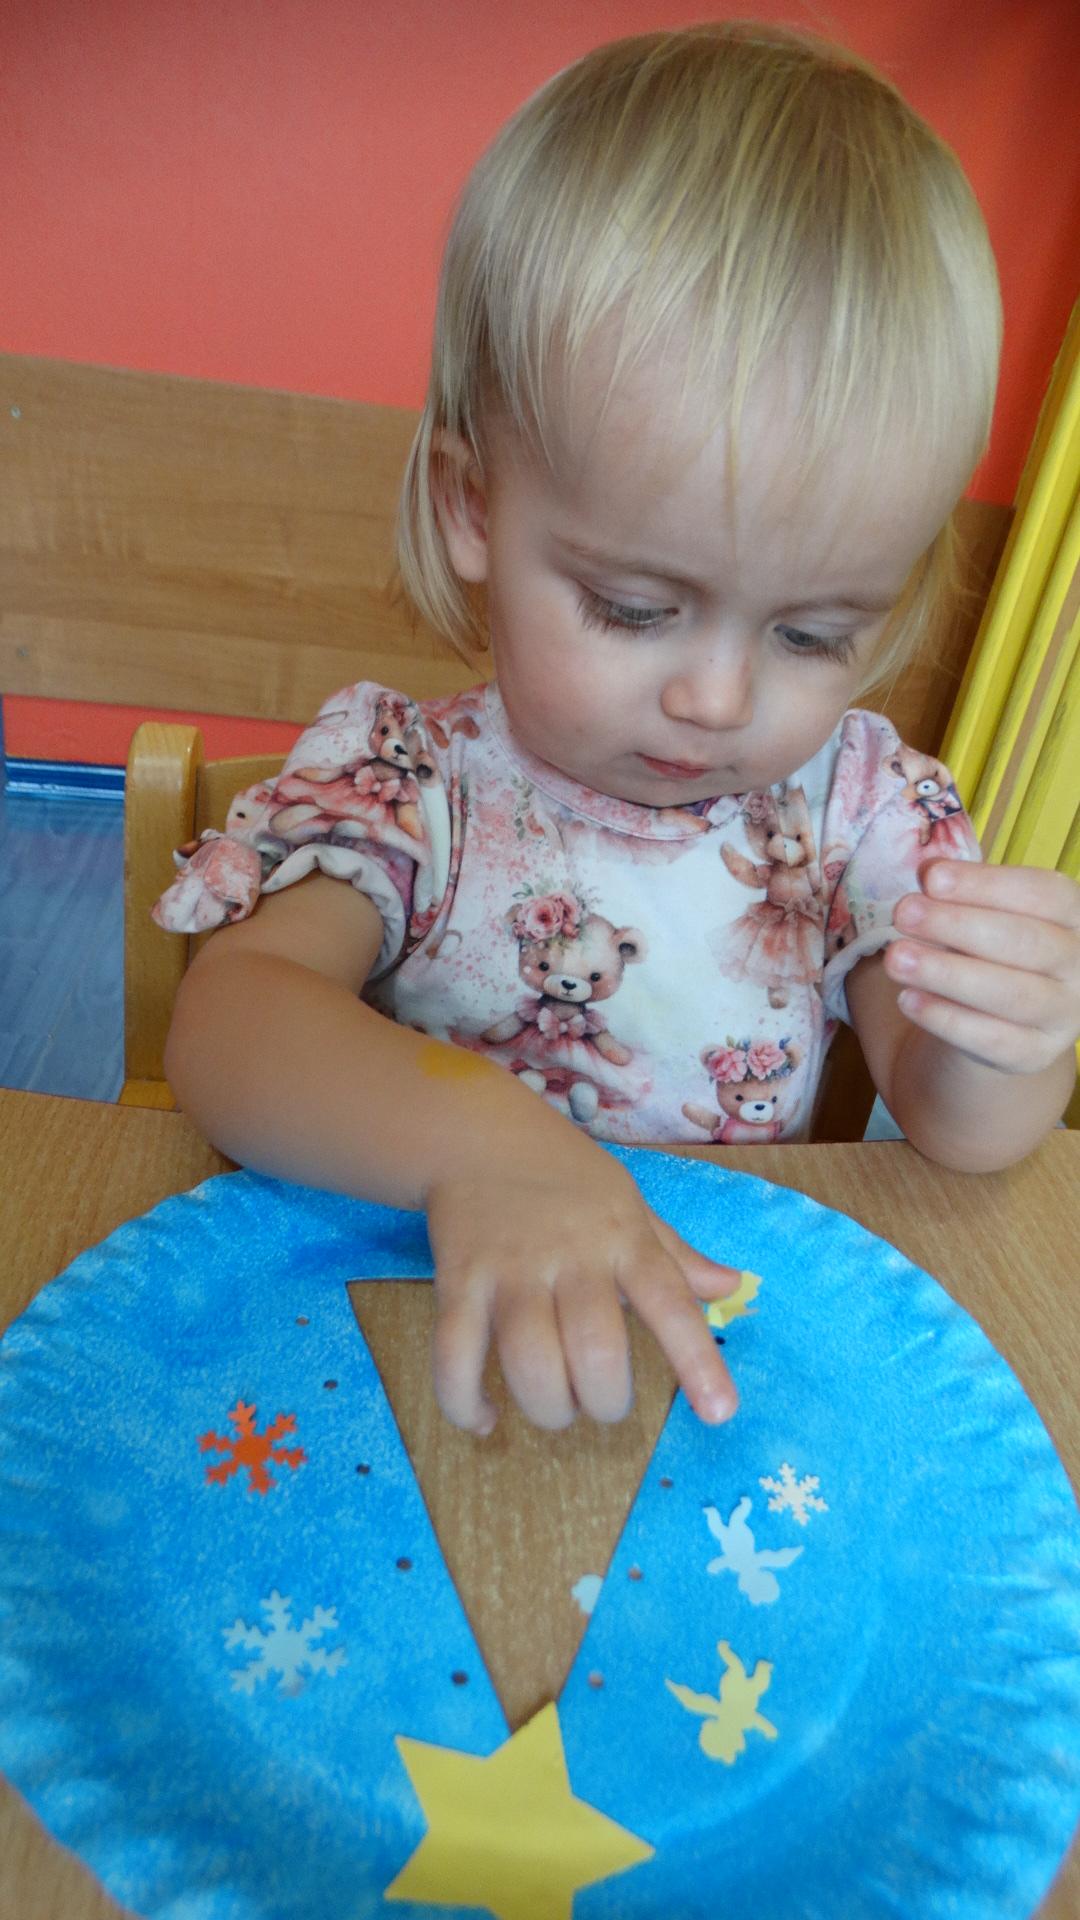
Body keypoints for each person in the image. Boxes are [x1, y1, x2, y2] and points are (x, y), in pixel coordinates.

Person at [157, 23, 1080, 1439]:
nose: (718, 701)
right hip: (409, 1360)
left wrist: (1008, 1041)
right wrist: (484, 1146)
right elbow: (230, 1025)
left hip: (696, 1375)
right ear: (475, 505)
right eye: (635, 608)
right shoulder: (412, 785)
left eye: (814, 634)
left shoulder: (856, 815)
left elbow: (960, 1134)